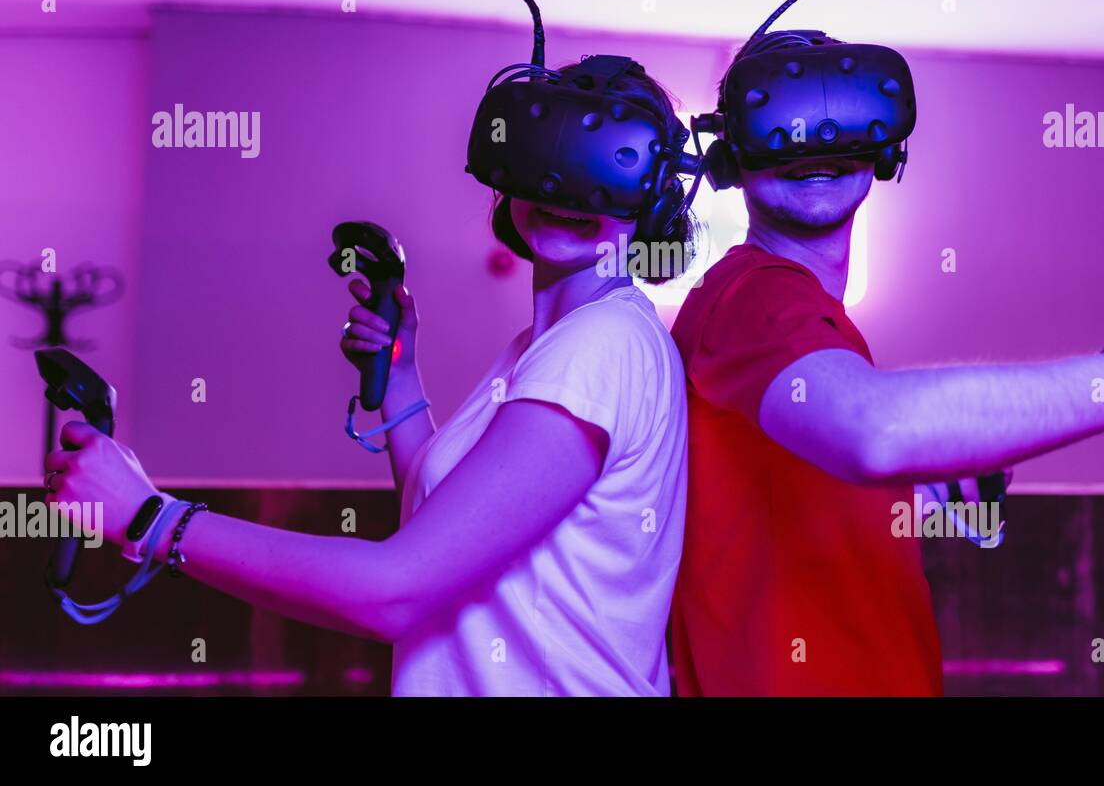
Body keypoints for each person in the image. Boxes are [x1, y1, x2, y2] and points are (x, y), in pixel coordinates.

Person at [45, 61, 695, 697]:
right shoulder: (554, 344)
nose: (562, 191)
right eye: (546, 160)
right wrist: (402, 376)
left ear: (657, 196)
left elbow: (395, 590)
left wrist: (150, 518)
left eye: (605, 170)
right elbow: (443, 520)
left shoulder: (601, 345)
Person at [669, 33, 1104, 696]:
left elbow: (830, 470)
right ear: (727, 155)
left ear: (886, 141)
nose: (813, 144)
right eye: (780, 125)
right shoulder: (753, 294)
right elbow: (879, 429)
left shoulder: (808, 321)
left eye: (837, 117)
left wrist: (909, 495)